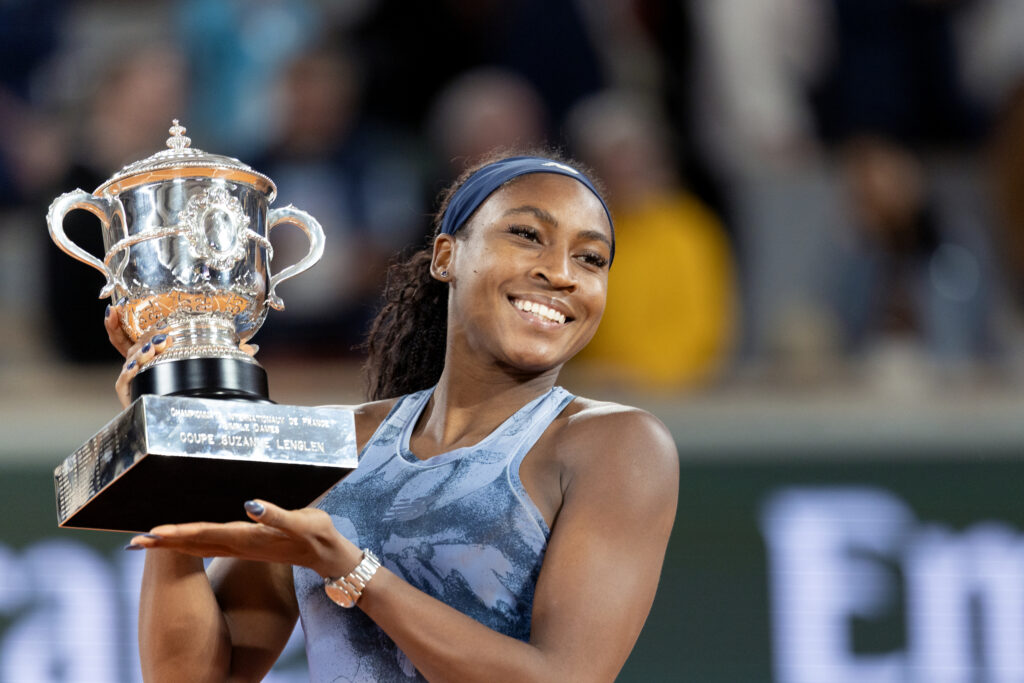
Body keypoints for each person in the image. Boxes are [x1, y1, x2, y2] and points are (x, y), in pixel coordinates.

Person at [105, 151, 679, 681]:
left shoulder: (617, 445)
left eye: (591, 258)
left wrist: (352, 571)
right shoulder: (330, 443)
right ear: (447, 256)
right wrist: (165, 453)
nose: (561, 273)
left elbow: (567, 678)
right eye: (527, 235)